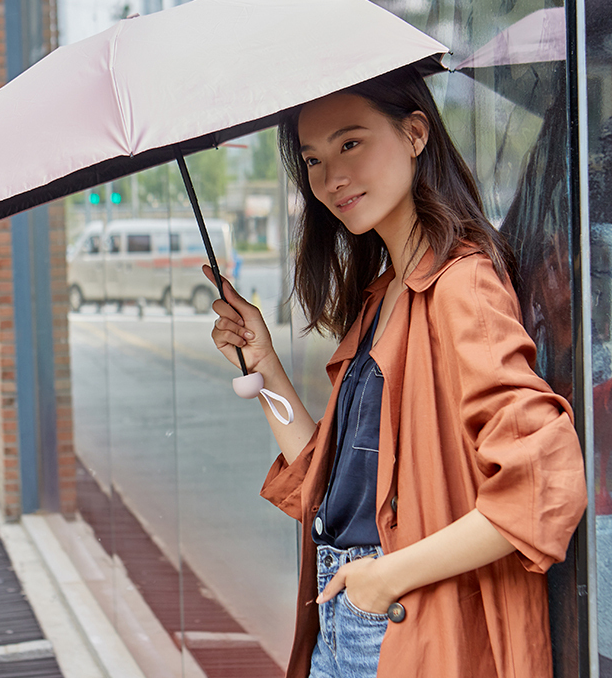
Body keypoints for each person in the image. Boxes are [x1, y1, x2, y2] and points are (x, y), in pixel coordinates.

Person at [204, 64, 586, 678]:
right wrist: (265, 364)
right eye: (313, 160)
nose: (332, 178)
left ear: (415, 134)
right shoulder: (385, 295)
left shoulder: (462, 285)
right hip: (347, 617)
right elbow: (325, 484)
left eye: (350, 143)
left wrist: (385, 578)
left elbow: (542, 484)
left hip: (404, 626)